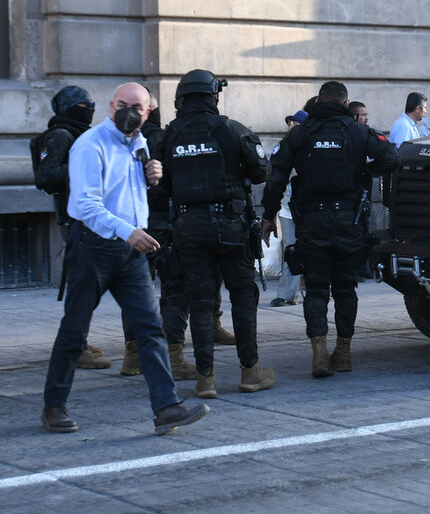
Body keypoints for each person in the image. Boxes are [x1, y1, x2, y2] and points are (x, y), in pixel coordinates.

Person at [41, 82, 209, 435]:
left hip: (131, 250)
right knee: (75, 329)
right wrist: (127, 231)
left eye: (138, 106)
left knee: (150, 328)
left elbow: (129, 193)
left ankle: (167, 408)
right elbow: (84, 205)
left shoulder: (141, 144)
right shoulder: (90, 144)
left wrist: (152, 179)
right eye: (123, 104)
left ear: (149, 112)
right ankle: (54, 406)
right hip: (95, 248)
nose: (129, 111)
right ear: (111, 105)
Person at [262, 80, 399, 377]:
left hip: (312, 223)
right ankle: (344, 353)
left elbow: (276, 177)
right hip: (349, 223)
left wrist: (269, 215)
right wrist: (364, 172)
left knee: (316, 289)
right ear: (346, 104)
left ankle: (319, 355)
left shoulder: (300, 133)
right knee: (346, 288)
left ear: (319, 102)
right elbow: (392, 157)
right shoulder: (359, 131)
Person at [161, 69, 273, 399]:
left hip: (188, 227)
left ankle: (205, 378)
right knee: (242, 296)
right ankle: (251, 371)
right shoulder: (231, 129)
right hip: (231, 226)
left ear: (181, 99)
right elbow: (261, 171)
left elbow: (159, 186)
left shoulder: (169, 136)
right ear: (214, 97)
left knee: (201, 300)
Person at [32, 85, 112, 370]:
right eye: (83, 104)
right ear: (69, 107)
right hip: (75, 219)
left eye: (91, 102)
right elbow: (45, 177)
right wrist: (85, 167)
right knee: (84, 286)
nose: (89, 108)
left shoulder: (79, 135)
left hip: (91, 217)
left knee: (87, 286)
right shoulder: (60, 136)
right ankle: (73, 346)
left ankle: (76, 340)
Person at [118, 94, 197, 380]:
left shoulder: (122, 143)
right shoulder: (168, 139)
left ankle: (133, 356)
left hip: (133, 226)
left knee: (135, 290)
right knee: (175, 288)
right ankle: (173, 356)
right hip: (164, 223)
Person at [270, 109, 307, 307]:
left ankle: (319, 290)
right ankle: (287, 294)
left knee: (314, 250)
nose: (292, 126)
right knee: (291, 251)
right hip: (287, 207)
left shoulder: (310, 146)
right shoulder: (283, 146)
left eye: (296, 123)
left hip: (306, 207)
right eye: (291, 123)